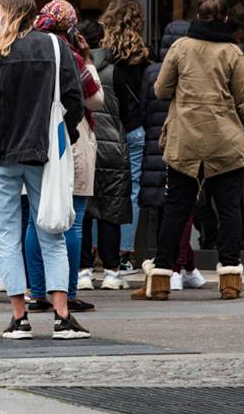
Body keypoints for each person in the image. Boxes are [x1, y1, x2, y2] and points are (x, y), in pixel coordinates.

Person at [0, 0, 90, 340]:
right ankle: (63, 314)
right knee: (52, 231)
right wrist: (68, 138)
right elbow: (73, 99)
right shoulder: (54, 47)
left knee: (5, 236)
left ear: (9, 13)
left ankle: (19, 316)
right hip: (43, 152)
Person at [132, 0, 244, 302]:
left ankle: (161, 282)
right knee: (229, 210)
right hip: (225, 142)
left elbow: (161, 90)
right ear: (224, 18)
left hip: (186, 142)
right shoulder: (233, 52)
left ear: (197, 17)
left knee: (176, 211)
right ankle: (231, 279)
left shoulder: (180, 48)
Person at [25, 0, 103, 314]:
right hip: (69, 138)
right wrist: (88, 58)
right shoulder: (69, 54)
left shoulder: (28, 48)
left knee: (35, 219)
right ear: (70, 25)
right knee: (73, 219)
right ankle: (67, 293)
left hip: (33, 137)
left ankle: (37, 291)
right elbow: (94, 99)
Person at [138, 19, 206, 291]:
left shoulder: (152, 72)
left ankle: (188, 268)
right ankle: (178, 267)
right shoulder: (192, 70)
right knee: (183, 208)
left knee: (168, 210)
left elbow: (143, 111)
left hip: (155, 147)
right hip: (183, 144)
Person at [101, 0, 153, 275]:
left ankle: (99, 252)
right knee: (131, 192)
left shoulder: (100, 52)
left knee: (100, 192)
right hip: (134, 129)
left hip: (105, 129)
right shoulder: (142, 55)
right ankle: (123, 254)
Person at [82, 19, 133, 291]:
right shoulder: (116, 71)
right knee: (110, 212)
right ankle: (112, 272)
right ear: (103, 40)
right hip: (113, 148)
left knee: (83, 211)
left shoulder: (73, 68)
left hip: (84, 144)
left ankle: (83, 271)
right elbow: (129, 111)